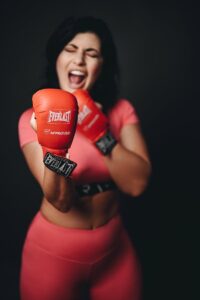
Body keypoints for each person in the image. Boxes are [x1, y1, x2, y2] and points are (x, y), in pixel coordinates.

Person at [18, 16, 151, 300]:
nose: (79, 59)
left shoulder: (121, 111)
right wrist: (55, 146)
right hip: (52, 254)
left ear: (101, 65)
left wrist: (99, 132)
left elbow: (137, 184)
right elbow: (61, 200)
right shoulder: (31, 119)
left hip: (114, 251)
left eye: (91, 53)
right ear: (57, 57)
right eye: (70, 48)